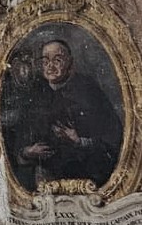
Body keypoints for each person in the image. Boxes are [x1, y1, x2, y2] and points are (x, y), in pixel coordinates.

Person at [8, 39, 121, 193]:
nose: (50, 66)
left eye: (57, 60)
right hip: (43, 184)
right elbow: (18, 147)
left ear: (70, 63)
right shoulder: (35, 95)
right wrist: (28, 152)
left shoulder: (88, 91)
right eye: (45, 61)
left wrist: (79, 141)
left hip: (86, 181)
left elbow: (112, 139)